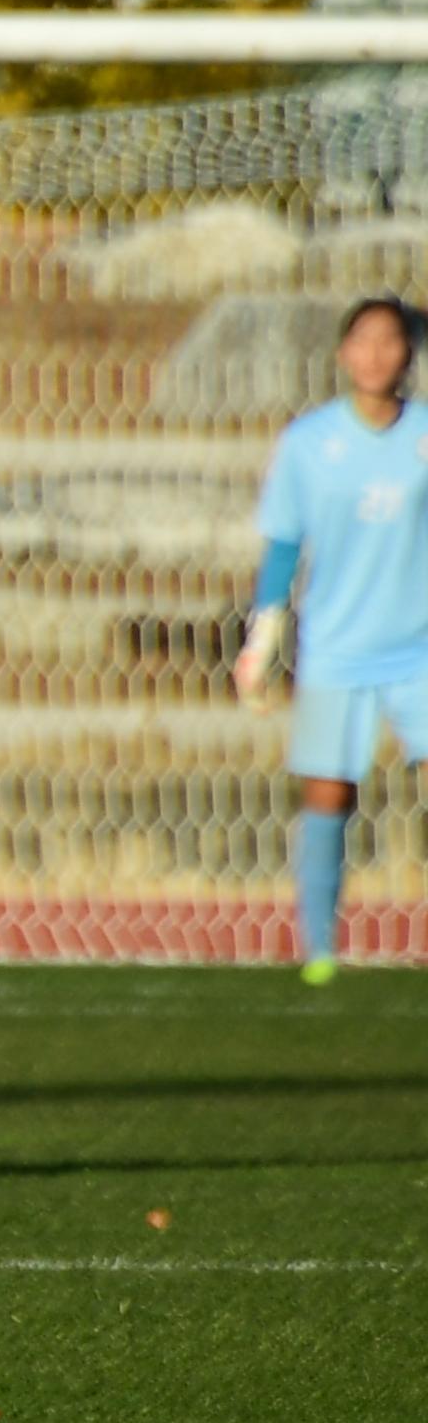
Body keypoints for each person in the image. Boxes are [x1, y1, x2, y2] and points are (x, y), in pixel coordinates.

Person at [235, 292, 428, 984]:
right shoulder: (310, 443)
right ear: (345, 354)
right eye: (363, 341)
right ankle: (318, 951)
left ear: (409, 353)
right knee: (329, 796)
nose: (376, 354)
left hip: (420, 648)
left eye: (390, 341)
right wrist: (263, 639)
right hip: (338, 650)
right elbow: (284, 544)